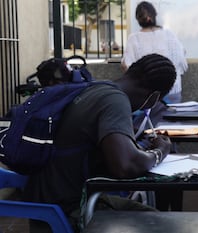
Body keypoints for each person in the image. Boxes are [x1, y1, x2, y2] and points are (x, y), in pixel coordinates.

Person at [22, 54, 177, 233]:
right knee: (164, 226)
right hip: (71, 208)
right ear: (154, 97)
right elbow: (124, 166)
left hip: (47, 202)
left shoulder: (94, 88)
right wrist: (160, 151)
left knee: (152, 217)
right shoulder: (115, 101)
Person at [121, 1, 188, 211]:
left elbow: (128, 66)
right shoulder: (166, 35)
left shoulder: (140, 38)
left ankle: (161, 193)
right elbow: (183, 63)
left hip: (152, 96)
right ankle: (170, 195)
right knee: (168, 142)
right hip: (165, 95)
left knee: (152, 140)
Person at [121, 1, 188, 127]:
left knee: (147, 130)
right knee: (172, 129)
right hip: (173, 90)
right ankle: (170, 147)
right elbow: (182, 58)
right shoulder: (169, 34)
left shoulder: (134, 38)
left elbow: (127, 67)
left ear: (138, 19)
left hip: (147, 95)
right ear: (154, 15)